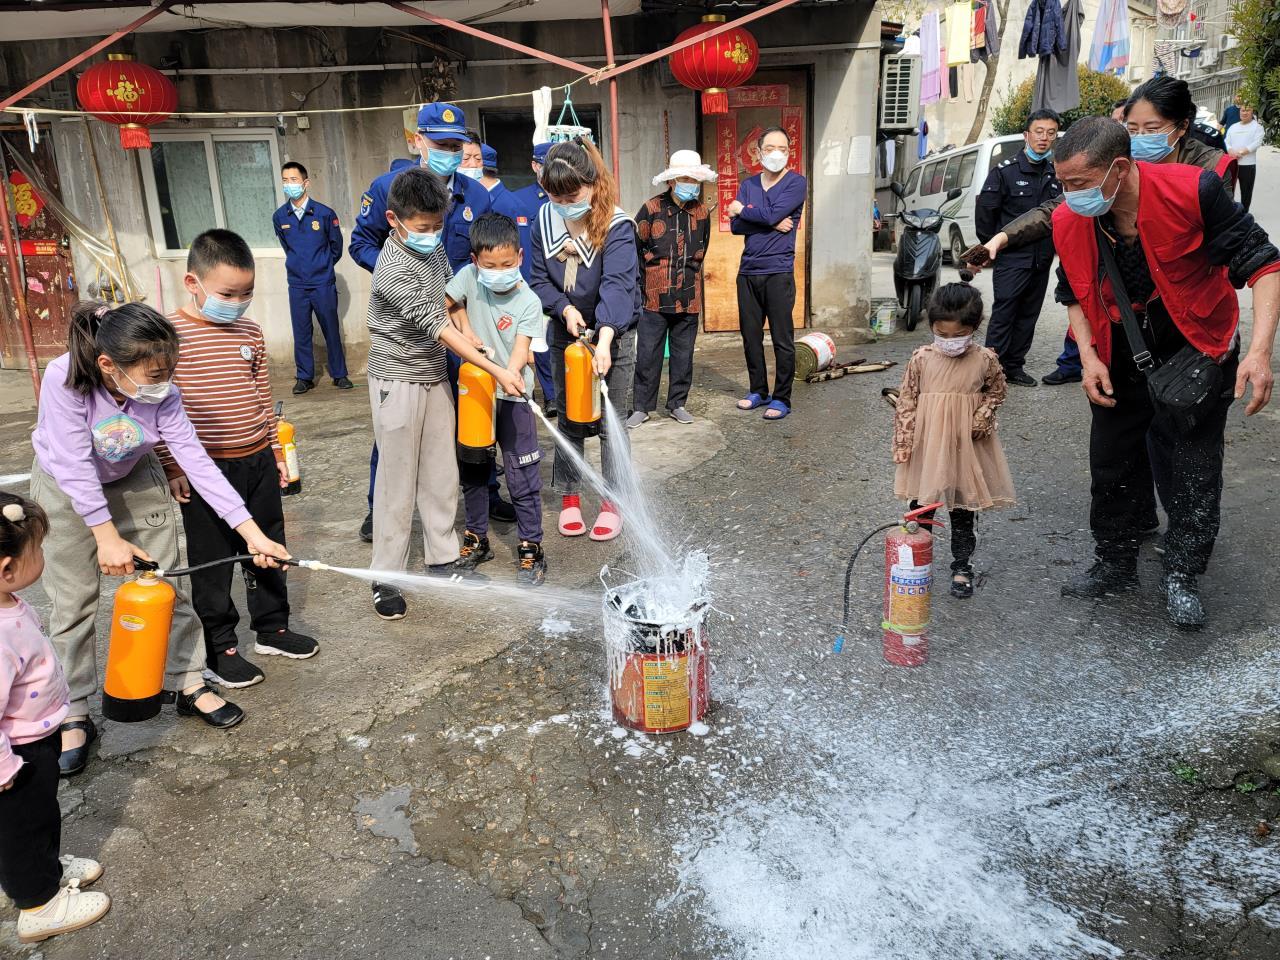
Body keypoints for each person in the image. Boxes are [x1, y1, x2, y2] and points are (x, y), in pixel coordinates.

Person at [29, 302, 291, 776]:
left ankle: (188, 681)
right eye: (154, 373)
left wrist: (252, 533)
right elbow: (72, 463)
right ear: (108, 365)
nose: (163, 381)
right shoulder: (64, 377)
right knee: (73, 602)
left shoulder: (160, 391)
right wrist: (105, 535)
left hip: (134, 476)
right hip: (66, 489)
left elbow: (195, 458)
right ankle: (75, 709)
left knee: (166, 585)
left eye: (169, 370)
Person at [1050, 116, 1279, 628]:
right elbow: (1073, 291)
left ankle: (1182, 575)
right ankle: (1115, 563)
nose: (1068, 196)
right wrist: (1086, 357)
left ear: (1121, 168)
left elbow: (1264, 264)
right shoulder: (1071, 219)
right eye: (1061, 184)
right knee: (1110, 462)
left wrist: (1259, 353)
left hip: (1196, 344)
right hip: (1117, 351)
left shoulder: (1193, 190)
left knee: (1193, 467)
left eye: (1079, 184)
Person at [977, 77, 1239, 388]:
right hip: (1120, 311)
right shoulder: (1109, 169)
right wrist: (1002, 238)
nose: (1140, 138)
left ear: (1182, 127)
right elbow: (1059, 213)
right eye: (1132, 128)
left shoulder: (1205, 177)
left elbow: (1243, 252)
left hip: (1187, 314)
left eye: (1152, 129)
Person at [160, 229, 319, 690]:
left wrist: (275, 449)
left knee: (268, 546)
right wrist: (172, 467)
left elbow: (263, 393)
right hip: (205, 469)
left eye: (246, 293)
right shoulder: (169, 335)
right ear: (194, 282)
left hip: (257, 461)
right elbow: (156, 407)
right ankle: (221, 646)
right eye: (228, 293)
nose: (239, 301)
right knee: (215, 561)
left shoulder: (250, 330)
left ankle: (273, 627)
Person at [365, 169, 523, 620]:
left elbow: (451, 303)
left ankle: (443, 557)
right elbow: (434, 324)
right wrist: (493, 368)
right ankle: (386, 577)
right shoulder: (390, 269)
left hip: (434, 375)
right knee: (397, 482)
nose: (432, 236)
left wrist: (471, 334)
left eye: (438, 227)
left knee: (441, 473)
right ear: (394, 220)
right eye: (423, 228)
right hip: (397, 381)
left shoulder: (433, 254)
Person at [348, 103, 506, 543]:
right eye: (440, 144)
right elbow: (361, 242)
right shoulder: (388, 188)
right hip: (413, 334)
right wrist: (396, 277)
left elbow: (477, 261)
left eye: (457, 146)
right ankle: (376, 509)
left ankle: (484, 493)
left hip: (460, 319)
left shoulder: (475, 195)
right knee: (395, 433)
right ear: (417, 141)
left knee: (473, 409)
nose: (449, 153)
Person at [0, 492, 112, 944]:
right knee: (22, 827)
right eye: (38, 549)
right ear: (7, 568)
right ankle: (39, 904)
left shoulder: (7, 603)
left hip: (34, 737)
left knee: (41, 816)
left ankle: (44, 868)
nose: (43, 556)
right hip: (15, 756)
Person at [529, 138, 641, 541]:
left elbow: (618, 286)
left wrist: (606, 340)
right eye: (554, 196)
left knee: (613, 423)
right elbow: (538, 279)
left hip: (616, 330)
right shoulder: (544, 220)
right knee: (570, 415)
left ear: (592, 185)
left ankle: (614, 501)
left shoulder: (617, 224)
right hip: (566, 332)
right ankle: (571, 498)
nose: (564, 204)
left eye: (572, 195)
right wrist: (563, 308)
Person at [892, 273, 1014, 599]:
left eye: (959, 334)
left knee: (962, 511)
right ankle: (920, 561)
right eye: (941, 333)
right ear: (931, 326)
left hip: (966, 448)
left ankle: (962, 566)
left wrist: (983, 415)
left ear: (974, 328)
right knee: (923, 508)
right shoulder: (921, 359)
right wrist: (904, 442)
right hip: (927, 447)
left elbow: (997, 392)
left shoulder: (985, 360)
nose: (950, 340)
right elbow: (906, 401)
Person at [445, 213, 548, 586]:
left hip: (513, 396)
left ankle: (530, 546)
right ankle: (476, 538)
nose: (499, 272)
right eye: (490, 265)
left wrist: (512, 373)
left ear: (520, 257)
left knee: (522, 473)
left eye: (507, 264)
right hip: (475, 393)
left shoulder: (529, 300)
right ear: (476, 261)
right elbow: (448, 303)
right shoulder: (469, 278)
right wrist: (467, 329)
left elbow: (521, 349)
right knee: (474, 469)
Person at [628, 149, 716, 427]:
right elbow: (636, 248)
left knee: (683, 355)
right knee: (647, 355)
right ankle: (642, 406)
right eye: (684, 178)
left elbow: (703, 249)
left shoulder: (702, 213)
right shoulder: (652, 208)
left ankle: (677, 403)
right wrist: (642, 288)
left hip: (689, 297)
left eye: (694, 178)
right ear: (672, 181)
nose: (690, 183)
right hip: (653, 297)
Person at [974, 108, 1061, 387]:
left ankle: (1014, 367)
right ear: (1027, 135)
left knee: (1028, 315)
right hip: (1012, 258)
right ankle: (991, 371)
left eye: (1050, 133)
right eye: (1039, 131)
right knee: (1005, 313)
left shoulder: (1056, 173)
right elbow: (986, 214)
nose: (1044, 138)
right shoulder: (1005, 172)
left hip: (1042, 258)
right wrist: (995, 247)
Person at [729, 126, 807, 422]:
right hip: (748, 271)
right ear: (758, 152)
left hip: (778, 271)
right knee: (750, 337)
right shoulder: (748, 184)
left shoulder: (796, 183)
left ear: (789, 152)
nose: (777, 153)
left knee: (781, 339)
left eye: (783, 148)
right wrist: (771, 221)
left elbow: (764, 214)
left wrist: (745, 211)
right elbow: (737, 227)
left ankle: (781, 397)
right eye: (770, 148)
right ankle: (758, 390)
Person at [273, 161, 351, 396]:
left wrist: (323, 266)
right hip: (297, 284)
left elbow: (336, 248)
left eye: (294, 180)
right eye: (285, 180)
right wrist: (300, 267)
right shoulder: (280, 217)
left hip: (322, 282)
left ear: (306, 183)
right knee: (301, 330)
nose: (289, 185)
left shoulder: (325, 214)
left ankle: (340, 374)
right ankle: (304, 377)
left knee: (330, 328)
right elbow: (288, 248)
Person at [512, 142, 557, 415]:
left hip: (558, 282)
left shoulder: (567, 198)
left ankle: (560, 394)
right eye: (546, 164)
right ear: (535, 166)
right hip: (526, 282)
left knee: (557, 342)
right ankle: (543, 394)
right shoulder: (519, 200)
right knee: (536, 343)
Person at [1225, 104, 1265, 213]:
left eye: (1247, 110)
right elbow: (1226, 141)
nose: (1244, 113)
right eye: (1242, 110)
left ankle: (1244, 214)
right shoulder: (1233, 127)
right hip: (1232, 164)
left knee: (1246, 192)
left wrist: (1240, 152)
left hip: (1248, 165)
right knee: (1228, 191)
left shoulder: (1257, 127)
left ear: (1252, 112)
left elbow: (1256, 143)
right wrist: (1230, 151)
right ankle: (1230, 214)